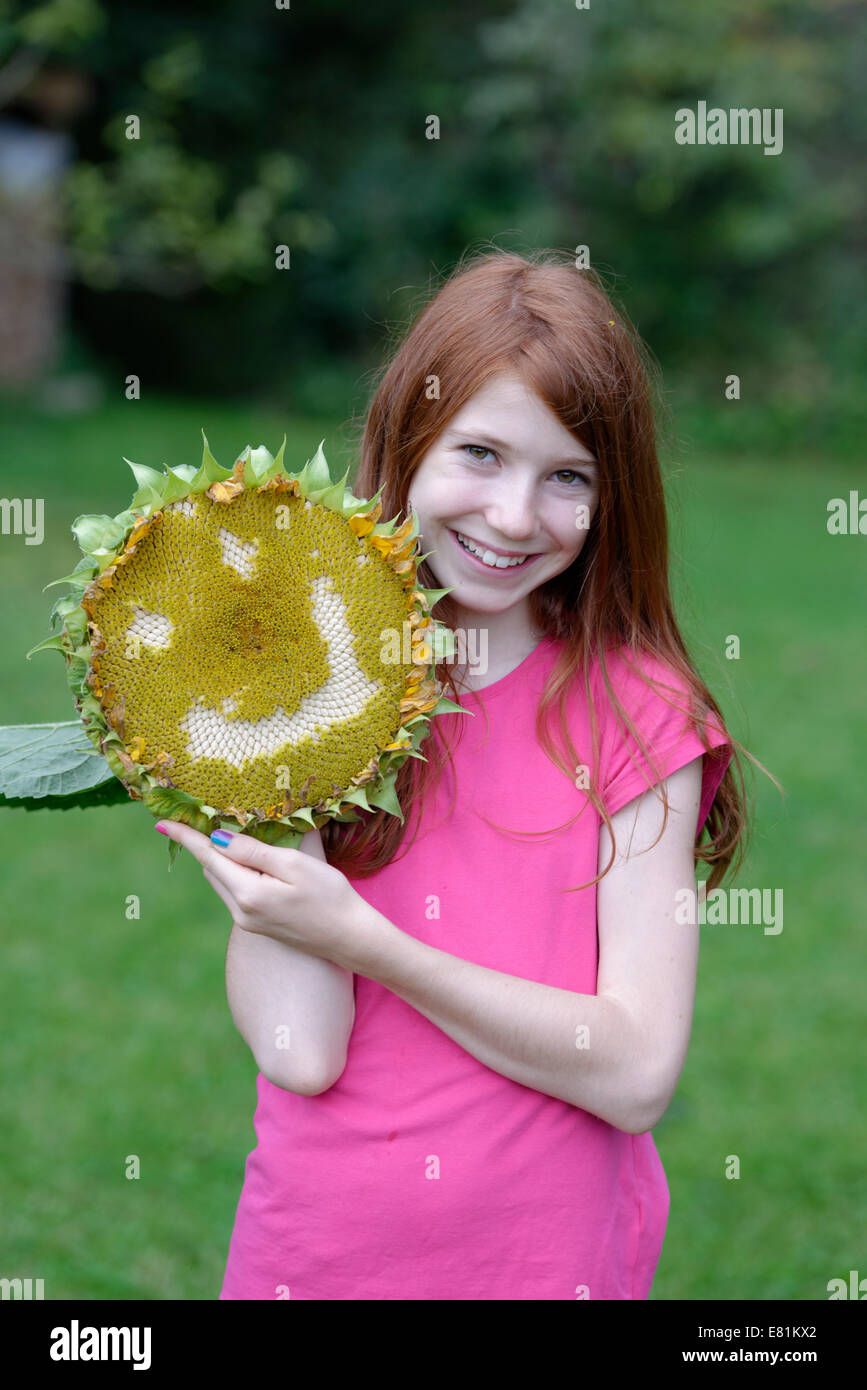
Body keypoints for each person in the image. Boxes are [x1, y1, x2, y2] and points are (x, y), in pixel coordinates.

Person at [159, 247, 760, 1300]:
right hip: (314, 1257)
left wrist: (369, 942)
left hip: (540, 1268)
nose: (516, 516)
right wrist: (276, 851)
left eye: (568, 475)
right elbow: (302, 1052)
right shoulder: (320, 690)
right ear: (407, 439)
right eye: (480, 454)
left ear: (612, 496)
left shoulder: (639, 716)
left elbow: (632, 1072)